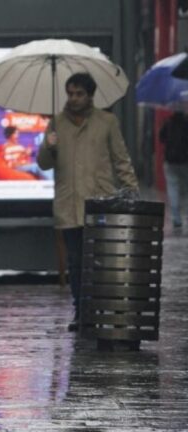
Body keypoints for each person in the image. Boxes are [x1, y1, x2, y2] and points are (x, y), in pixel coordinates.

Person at [38, 72, 139, 332]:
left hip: (100, 202)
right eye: (70, 93)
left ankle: (99, 308)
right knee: (76, 261)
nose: (74, 98)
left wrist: (131, 190)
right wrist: (48, 146)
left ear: (90, 95)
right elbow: (43, 163)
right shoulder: (56, 124)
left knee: (101, 259)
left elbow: (120, 159)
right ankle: (81, 312)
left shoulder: (107, 121)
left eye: (79, 93)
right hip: (69, 205)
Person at [158, 111, 188, 228]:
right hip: (185, 161)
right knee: (185, 189)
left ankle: (176, 218)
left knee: (173, 188)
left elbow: (161, 138)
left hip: (170, 161)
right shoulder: (186, 123)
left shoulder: (168, 123)